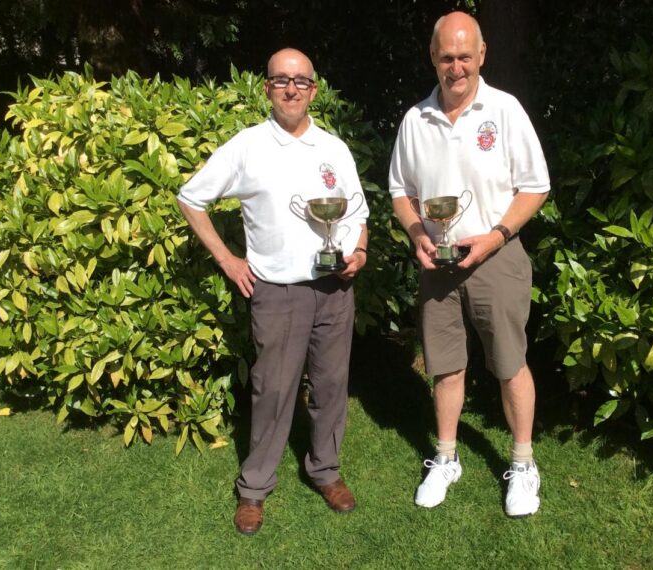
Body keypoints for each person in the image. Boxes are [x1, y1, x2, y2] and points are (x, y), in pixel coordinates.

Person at [177, 48, 369, 535]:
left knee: (330, 388)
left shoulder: (333, 148)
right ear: (266, 88)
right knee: (273, 392)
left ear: (314, 89)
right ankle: (254, 488)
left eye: (301, 81)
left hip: (334, 289)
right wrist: (227, 259)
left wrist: (360, 253)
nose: (291, 89)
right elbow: (190, 197)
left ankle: (324, 470)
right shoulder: (247, 146)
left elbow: (358, 214)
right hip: (278, 293)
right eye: (281, 80)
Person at [388, 11, 550, 518]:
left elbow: (536, 186)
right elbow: (400, 190)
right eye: (446, 56)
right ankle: (446, 457)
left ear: (481, 55)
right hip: (438, 263)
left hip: (495, 259)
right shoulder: (416, 119)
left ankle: (522, 465)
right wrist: (416, 231)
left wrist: (497, 234)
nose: (455, 67)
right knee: (446, 366)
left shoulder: (504, 110)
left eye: (464, 56)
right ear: (433, 58)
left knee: (509, 365)